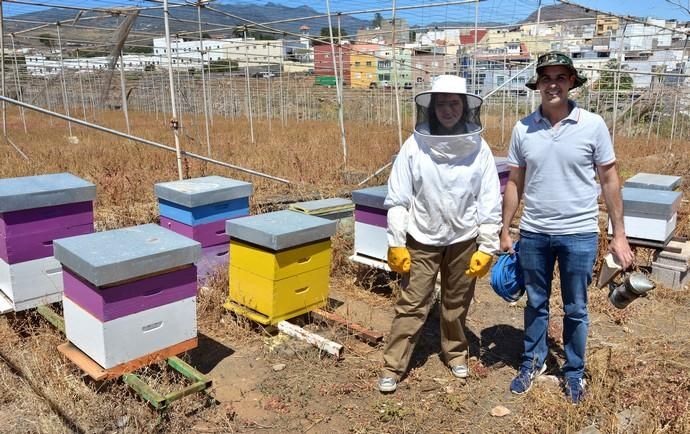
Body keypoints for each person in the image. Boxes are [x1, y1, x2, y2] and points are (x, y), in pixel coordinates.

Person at [500, 51, 634, 404]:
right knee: (536, 302)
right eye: (546, 78)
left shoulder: (592, 125)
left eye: (560, 77)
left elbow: (609, 179)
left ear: (572, 82)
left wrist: (619, 234)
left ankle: (574, 372)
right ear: (538, 85)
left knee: (576, 306)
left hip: (579, 233)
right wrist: (505, 228)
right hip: (534, 232)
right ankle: (533, 361)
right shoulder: (523, 128)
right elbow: (515, 181)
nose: (553, 84)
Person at [378, 75, 502, 393]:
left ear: (465, 107)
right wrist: (396, 242)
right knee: (413, 302)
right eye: (442, 103)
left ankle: (456, 353)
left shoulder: (480, 149)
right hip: (422, 238)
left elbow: (489, 200)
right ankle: (394, 365)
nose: (448, 109)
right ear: (431, 108)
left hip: (464, 238)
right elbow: (398, 198)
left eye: (454, 103)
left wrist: (487, 245)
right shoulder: (414, 146)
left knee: (457, 302)